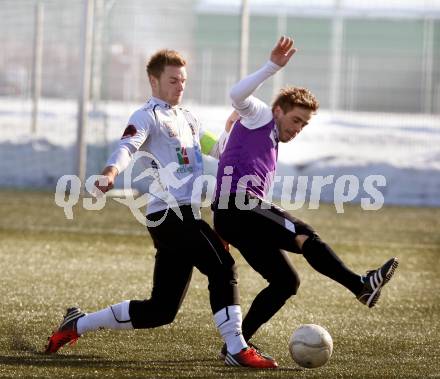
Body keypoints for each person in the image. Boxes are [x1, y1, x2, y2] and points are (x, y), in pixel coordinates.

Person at [45, 49, 277, 369]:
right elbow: (127, 145)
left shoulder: (189, 118)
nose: (180, 86)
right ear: (153, 80)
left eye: (183, 80)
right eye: (172, 80)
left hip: (182, 215)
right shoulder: (146, 116)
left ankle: (78, 323)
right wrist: (111, 172)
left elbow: (219, 150)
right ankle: (237, 347)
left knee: (161, 311)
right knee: (223, 267)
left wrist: (229, 129)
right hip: (170, 213)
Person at [212, 36, 399, 359]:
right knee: (305, 234)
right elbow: (236, 95)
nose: (298, 128)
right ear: (279, 110)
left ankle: (235, 347)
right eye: (296, 119)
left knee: (286, 281)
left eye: (304, 124)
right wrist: (272, 67)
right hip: (239, 207)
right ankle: (360, 285)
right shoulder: (260, 116)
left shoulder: (271, 140)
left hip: (236, 216)